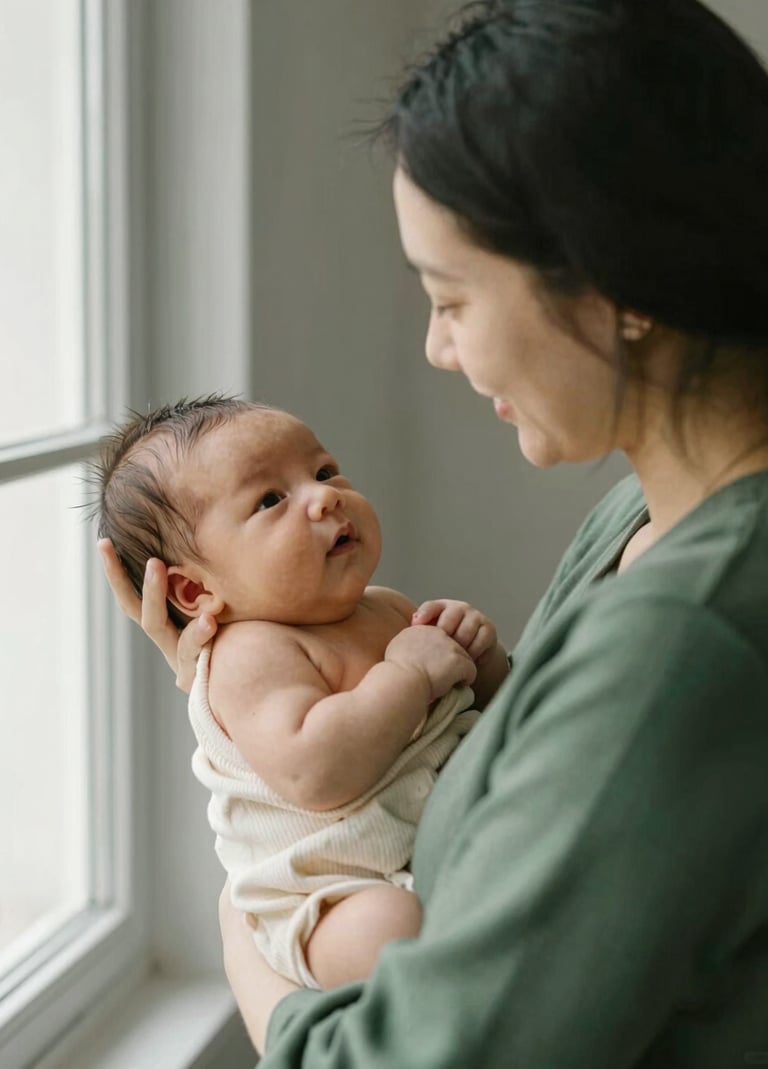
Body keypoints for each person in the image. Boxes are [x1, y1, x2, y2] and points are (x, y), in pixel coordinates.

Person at [99, 0, 768, 1064]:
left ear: (614, 285)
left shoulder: (689, 638)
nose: (437, 348)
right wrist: (244, 675)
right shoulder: (643, 513)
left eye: (451, 297)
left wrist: (246, 942)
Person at [95, 396, 508, 990]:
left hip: (438, 844)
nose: (326, 496)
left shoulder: (388, 608)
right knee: (388, 928)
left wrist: (478, 656)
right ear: (191, 591)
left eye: (322, 471)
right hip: (331, 893)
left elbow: (494, 711)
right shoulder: (246, 657)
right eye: (270, 500)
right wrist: (410, 677)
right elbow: (317, 773)